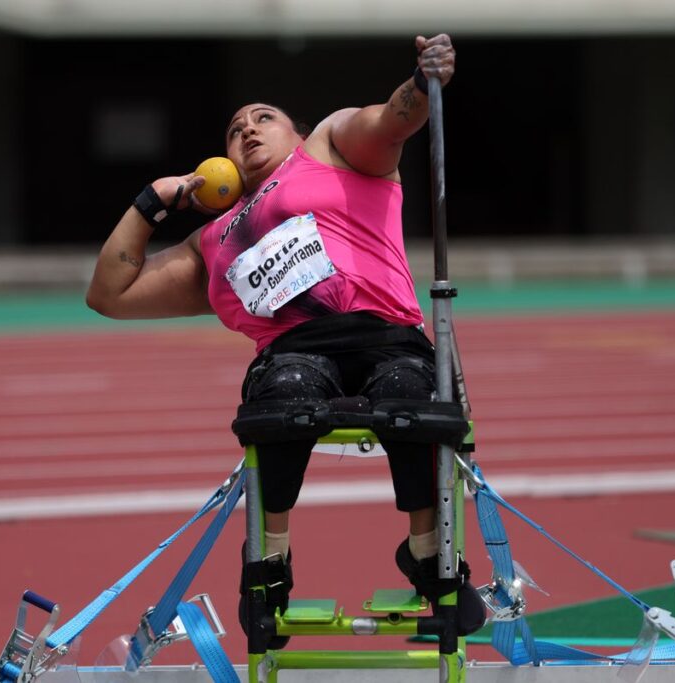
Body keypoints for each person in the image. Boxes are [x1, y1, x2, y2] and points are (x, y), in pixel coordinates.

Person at [86, 34, 484, 646]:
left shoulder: (330, 147)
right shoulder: (213, 240)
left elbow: (394, 119)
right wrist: (152, 202)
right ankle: (269, 567)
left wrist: (422, 79)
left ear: (295, 134)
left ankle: (430, 554)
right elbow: (108, 294)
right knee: (281, 400)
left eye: (263, 118)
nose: (246, 129)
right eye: (233, 128)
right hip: (292, 351)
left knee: (412, 395)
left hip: (388, 336)